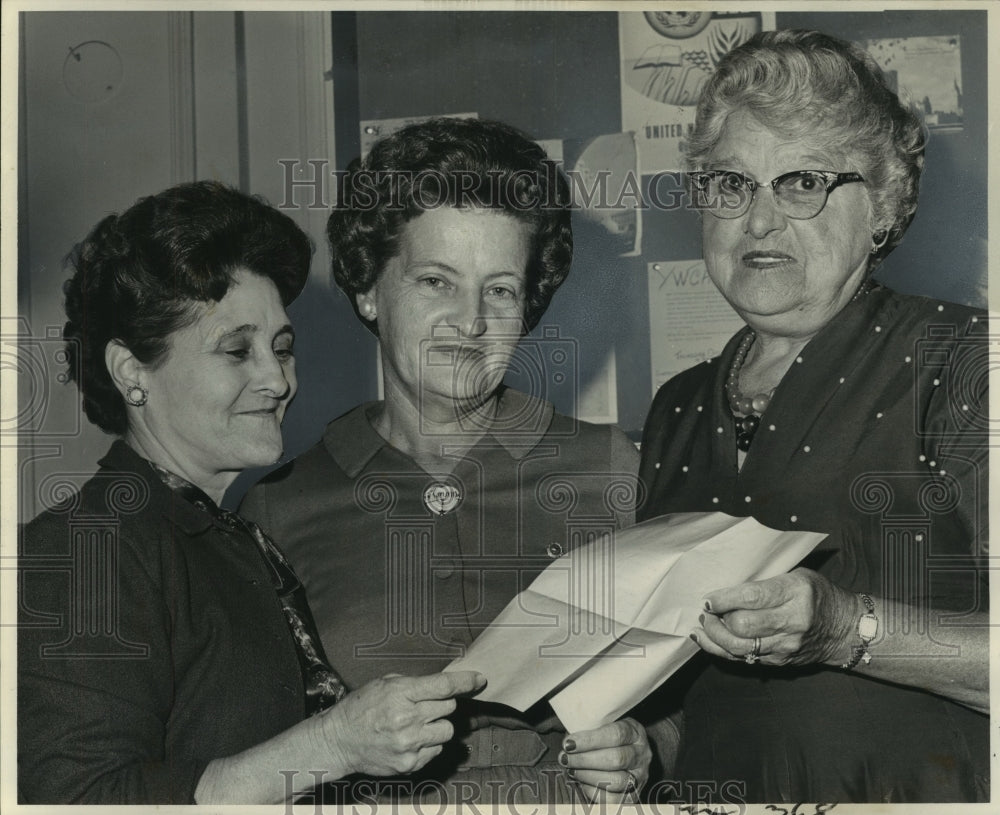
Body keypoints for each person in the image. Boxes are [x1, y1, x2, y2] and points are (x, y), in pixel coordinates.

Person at [17, 181, 484, 804]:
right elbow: (75, 797)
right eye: (237, 350)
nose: (276, 379)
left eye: (281, 348)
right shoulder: (88, 545)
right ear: (132, 371)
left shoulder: (228, 535)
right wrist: (334, 743)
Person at [241, 117, 654, 805]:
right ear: (370, 289)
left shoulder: (611, 469)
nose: (471, 321)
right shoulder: (279, 506)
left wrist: (647, 746)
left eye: (500, 289)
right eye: (437, 281)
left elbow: (688, 689)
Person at [637, 30, 988, 803]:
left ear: (885, 208)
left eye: (801, 183)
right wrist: (639, 744)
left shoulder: (964, 360)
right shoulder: (677, 409)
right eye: (731, 184)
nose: (758, 222)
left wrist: (844, 629)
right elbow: (689, 697)